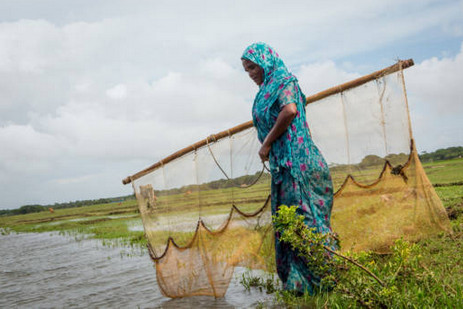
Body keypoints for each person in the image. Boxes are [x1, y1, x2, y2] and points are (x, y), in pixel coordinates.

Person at [241, 42, 334, 295]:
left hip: (299, 166)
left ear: (265, 62)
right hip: (283, 167)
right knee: (290, 225)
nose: (250, 73)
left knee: (308, 223)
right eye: (246, 69)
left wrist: (267, 143)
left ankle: (329, 283)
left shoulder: (284, 81)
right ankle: (300, 287)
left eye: (252, 67)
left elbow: (290, 110)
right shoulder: (265, 91)